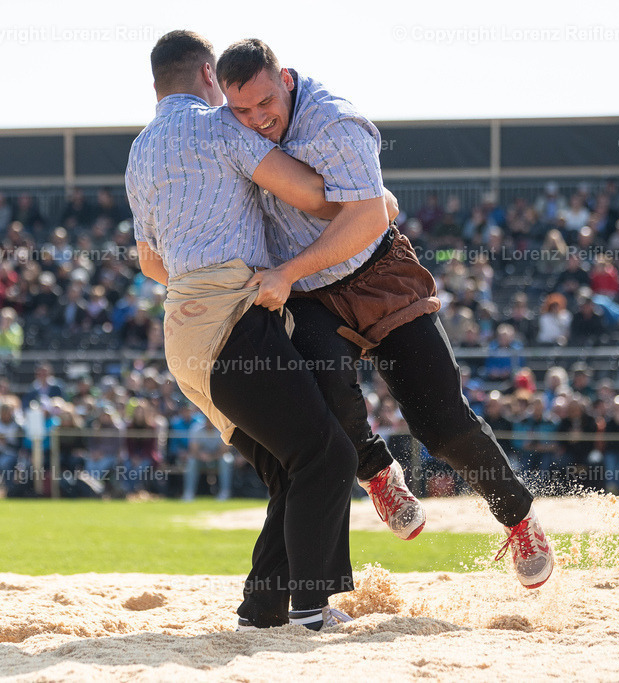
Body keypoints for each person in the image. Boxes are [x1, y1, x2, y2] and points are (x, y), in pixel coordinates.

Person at [217, 38, 554, 589]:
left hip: (375, 273)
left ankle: (518, 518)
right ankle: (377, 472)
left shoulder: (337, 122)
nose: (256, 120)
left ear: (285, 77)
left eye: (264, 104)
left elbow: (371, 219)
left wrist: (288, 272)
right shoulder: (230, 124)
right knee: (324, 396)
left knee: (440, 420)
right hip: (310, 292)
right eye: (242, 110)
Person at [127, 31, 387, 631]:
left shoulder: (140, 149)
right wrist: (373, 200)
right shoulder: (221, 127)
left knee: (285, 467)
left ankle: (261, 611)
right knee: (327, 456)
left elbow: (148, 261)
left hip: (183, 334)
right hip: (232, 322)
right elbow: (318, 197)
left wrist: (201, 286)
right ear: (209, 74)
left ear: (157, 83)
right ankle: (313, 610)